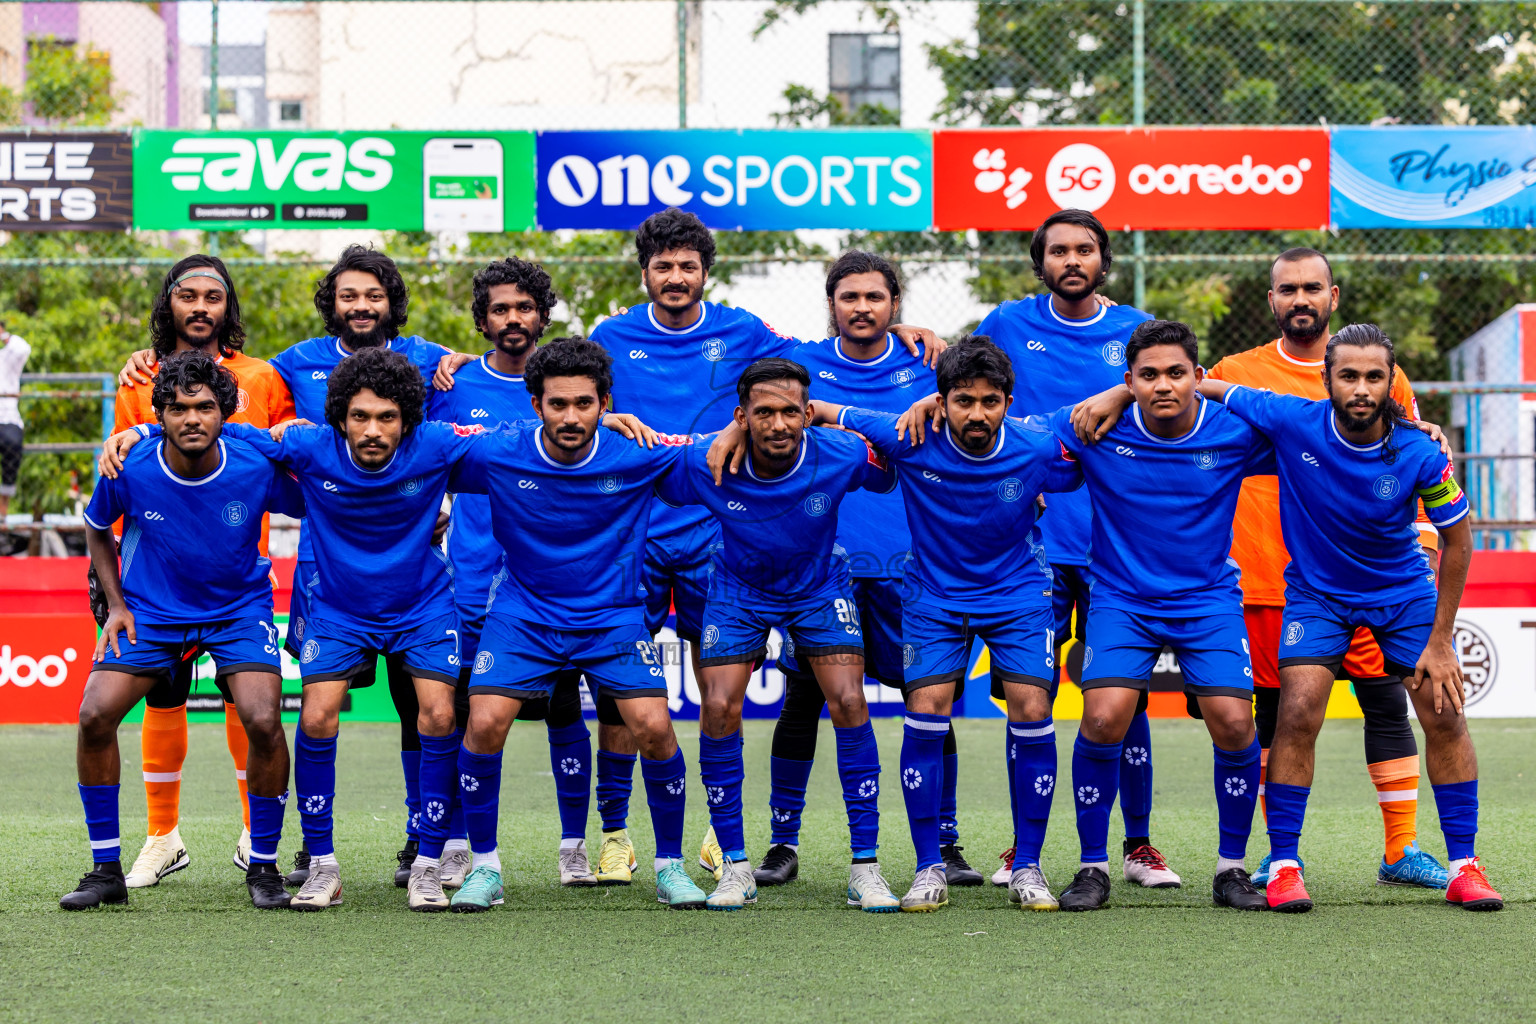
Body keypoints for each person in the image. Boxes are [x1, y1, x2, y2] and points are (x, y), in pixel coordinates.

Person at [435, 208, 943, 885]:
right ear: (644, 272)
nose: (675, 276)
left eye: (687, 266)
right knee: (620, 697)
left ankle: (715, 835)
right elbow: (566, 387)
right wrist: (457, 362)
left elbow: (813, 361)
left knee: (717, 692)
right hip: (635, 537)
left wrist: (898, 332)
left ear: (706, 272)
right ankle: (616, 835)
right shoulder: (611, 335)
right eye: (663, 266)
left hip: (712, 530)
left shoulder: (745, 330)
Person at [124, 245, 457, 889]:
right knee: (304, 711)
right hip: (320, 571)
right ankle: (297, 847)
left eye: (374, 295)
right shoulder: (290, 365)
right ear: (331, 301)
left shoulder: (430, 360)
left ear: (392, 301)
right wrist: (141, 410)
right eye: (348, 294)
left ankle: (423, 840)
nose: (361, 306)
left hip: (409, 566)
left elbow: (481, 419)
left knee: (418, 706)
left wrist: (463, 365)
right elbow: (236, 420)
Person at [1199, 324, 1500, 913]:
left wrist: (1441, 640)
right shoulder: (1291, 418)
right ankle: (1285, 864)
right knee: (1297, 712)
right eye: (1349, 376)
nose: (1361, 388)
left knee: (1444, 713)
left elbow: (1459, 541)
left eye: (1374, 377)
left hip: (1401, 592)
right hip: (1318, 594)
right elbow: (1205, 386)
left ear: (1391, 382)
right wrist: (1120, 393)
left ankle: (1464, 865)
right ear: (1327, 379)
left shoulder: (1420, 451)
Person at [799, 337, 1082, 912]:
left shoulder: (1036, 444)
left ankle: (1028, 866)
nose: (977, 414)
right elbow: (822, 409)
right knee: (926, 710)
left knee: (1032, 708)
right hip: (934, 594)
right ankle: (929, 867)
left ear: (1008, 403)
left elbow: (1090, 434)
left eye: (990, 402)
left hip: (1018, 591)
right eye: (963, 401)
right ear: (941, 401)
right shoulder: (906, 434)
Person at [1205, 248, 1447, 890]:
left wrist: (1423, 549)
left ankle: (1401, 849)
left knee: (1386, 702)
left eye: (1312, 288)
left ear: (1332, 297)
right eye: (1288, 289)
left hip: (1373, 575)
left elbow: (1417, 460)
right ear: (1272, 300)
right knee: (1278, 714)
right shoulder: (1237, 371)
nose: (1300, 299)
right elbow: (1181, 402)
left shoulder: (1379, 372)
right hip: (1267, 574)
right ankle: (1280, 854)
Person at [446, 337, 710, 913]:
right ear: (535, 405)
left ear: (605, 403)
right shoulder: (499, 450)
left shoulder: (637, 451)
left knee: (654, 727)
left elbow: (711, 452)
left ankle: (669, 865)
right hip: (524, 612)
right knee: (483, 723)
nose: (571, 416)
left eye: (585, 404)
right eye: (558, 404)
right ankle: (484, 867)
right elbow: (415, 447)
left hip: (612, 615)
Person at [745, 251, 981, 889]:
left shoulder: (930, 364)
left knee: (928, 702)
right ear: (831, 304)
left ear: (895, 304)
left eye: (875, 297)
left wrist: (923, 339)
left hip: (911, 564)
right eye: (849, 297)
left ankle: (947, 842)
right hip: (824, 567)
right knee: (803, 700)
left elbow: (975, 402)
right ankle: (783, 842)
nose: (862, 307)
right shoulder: (800, 365)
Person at [973, 209, 1175, 890]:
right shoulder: (1006, 324)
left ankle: (1138, 845)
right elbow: (965, 385)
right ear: (1041, 263)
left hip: (1118, 547)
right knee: (1028, 698)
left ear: (1103, 260)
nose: (1072, 260)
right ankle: (1021, 847)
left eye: (1084, 249)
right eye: (1058, 250)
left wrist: (1119, 388)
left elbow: (1177, 391)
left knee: (1125, 698)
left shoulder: (1138, 330)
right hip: (1031, 547)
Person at [1045, 320, 1271, 911]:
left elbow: (1314, 429)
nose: (1163, 385)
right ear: (1129, 380)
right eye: (1147, 375)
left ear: (1198, 375)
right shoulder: (1097, 426)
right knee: (1103, 717)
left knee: (1235, 723)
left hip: (1208, 599)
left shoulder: (1233, 431)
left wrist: (1414, 429)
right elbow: (1009, 431)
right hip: (1123, 599)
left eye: (1176, 373)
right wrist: (933, 405)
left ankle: (1231, 869)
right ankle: (1093, 866)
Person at [64, 352, 301, 911]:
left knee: (264, 720)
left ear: (224, 413)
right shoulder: (131, 465)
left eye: (205, 407)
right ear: (160, 415)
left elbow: (322, 501)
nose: (192, 418)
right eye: (177, 409)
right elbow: (96, 528)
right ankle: (106, 870)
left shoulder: (254, 461)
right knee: (94, 716)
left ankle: (263, 865)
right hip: (152, 610)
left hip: (238, 609)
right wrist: (116, 605)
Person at [664, 358, 898, 912]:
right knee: (718, 706)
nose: (778, 424)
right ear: (741, 416)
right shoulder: (706, 460)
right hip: (738, 590)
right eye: (763, 413)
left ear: (807, 414)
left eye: (790, 412)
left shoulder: (841, 453)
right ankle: (735, 866)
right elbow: (644, 466)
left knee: (849, 700)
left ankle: (865, 867)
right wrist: (614, 419)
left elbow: (891, 466)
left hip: (819, 587)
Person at [109, 256, 296, 889]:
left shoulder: (262, 378)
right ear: (169, 304)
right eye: (186, 295)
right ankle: (162, 836)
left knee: (248, 703)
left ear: (227, 306)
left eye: (212, 297)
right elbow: (123, 461)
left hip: (236, 577)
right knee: (162, 694)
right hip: (155, 576)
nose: (199, 307)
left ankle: (252, 835)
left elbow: (285, 447)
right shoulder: (140, 377)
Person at [430, 257, 598, 887]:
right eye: (500, 309)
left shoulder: (566, 385)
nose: (513, 318)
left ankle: (574, 846)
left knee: (564, 710)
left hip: (551, 584)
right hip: (470, 580)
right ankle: (456, 844)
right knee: (465, 717)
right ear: (482, 320)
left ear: (542, 315)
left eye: (525, 307)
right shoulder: (450, 382)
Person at [0, 318, 31, 519]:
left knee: (12, 444)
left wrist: (4, 336)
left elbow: (24, 349)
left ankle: (3, 505)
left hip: (6, 417)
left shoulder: (7, 356)